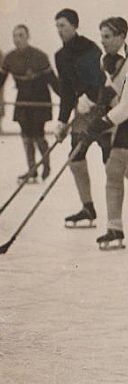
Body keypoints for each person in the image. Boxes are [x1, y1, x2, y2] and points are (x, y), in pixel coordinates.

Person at [52, 8, 109, 228]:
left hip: (103, 109)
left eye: (63, 25)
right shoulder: (60, 55)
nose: (59, 30)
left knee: (112, 160)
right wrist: (62, 121)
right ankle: (88, 208)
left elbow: (100, 79)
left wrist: (91, 98)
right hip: (82, 114)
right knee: (75, 157)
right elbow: (66, 91)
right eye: (57, 26)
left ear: (75, 26)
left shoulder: (90, 48)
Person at [0, 25, 60, 183]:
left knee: (38, 135)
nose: (17, 39)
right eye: (15, 36)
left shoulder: (39, 56)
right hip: (23, 99)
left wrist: (67, 99)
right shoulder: (10, 57)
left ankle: (46, 165)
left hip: (39, 99)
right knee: (26, 136)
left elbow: (53, 81)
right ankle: (32, 170)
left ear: (27, 37)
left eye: (21, 35)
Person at [80, 17, 128, 249]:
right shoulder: (117, 59)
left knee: (118, 170)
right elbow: (118, 86)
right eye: (102, 36)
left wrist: (102, 122)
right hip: (125, 120)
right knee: (114, 170)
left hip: (125, 115)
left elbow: (127, 105)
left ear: (121, 36)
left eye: (108, 36)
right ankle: (114, 228)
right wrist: (94, 101)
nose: (103, 41)